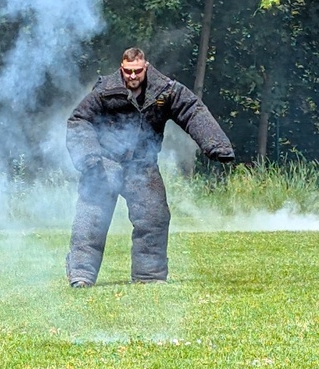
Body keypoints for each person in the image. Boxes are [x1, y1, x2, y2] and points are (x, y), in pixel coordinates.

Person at [65, 47, 235, 287]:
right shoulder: (105, 90)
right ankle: (81, 275)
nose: (132, 77)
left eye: (136, 72)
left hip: (141, 165)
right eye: (127, 72)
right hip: (104, 162)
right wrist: (88, 157)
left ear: (145, 67)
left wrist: (217, 146)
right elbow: (79, 120)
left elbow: (193, 111)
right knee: (91, 216)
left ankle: (149, 276)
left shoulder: (165, 90)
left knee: (154, 217)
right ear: (121, 68)